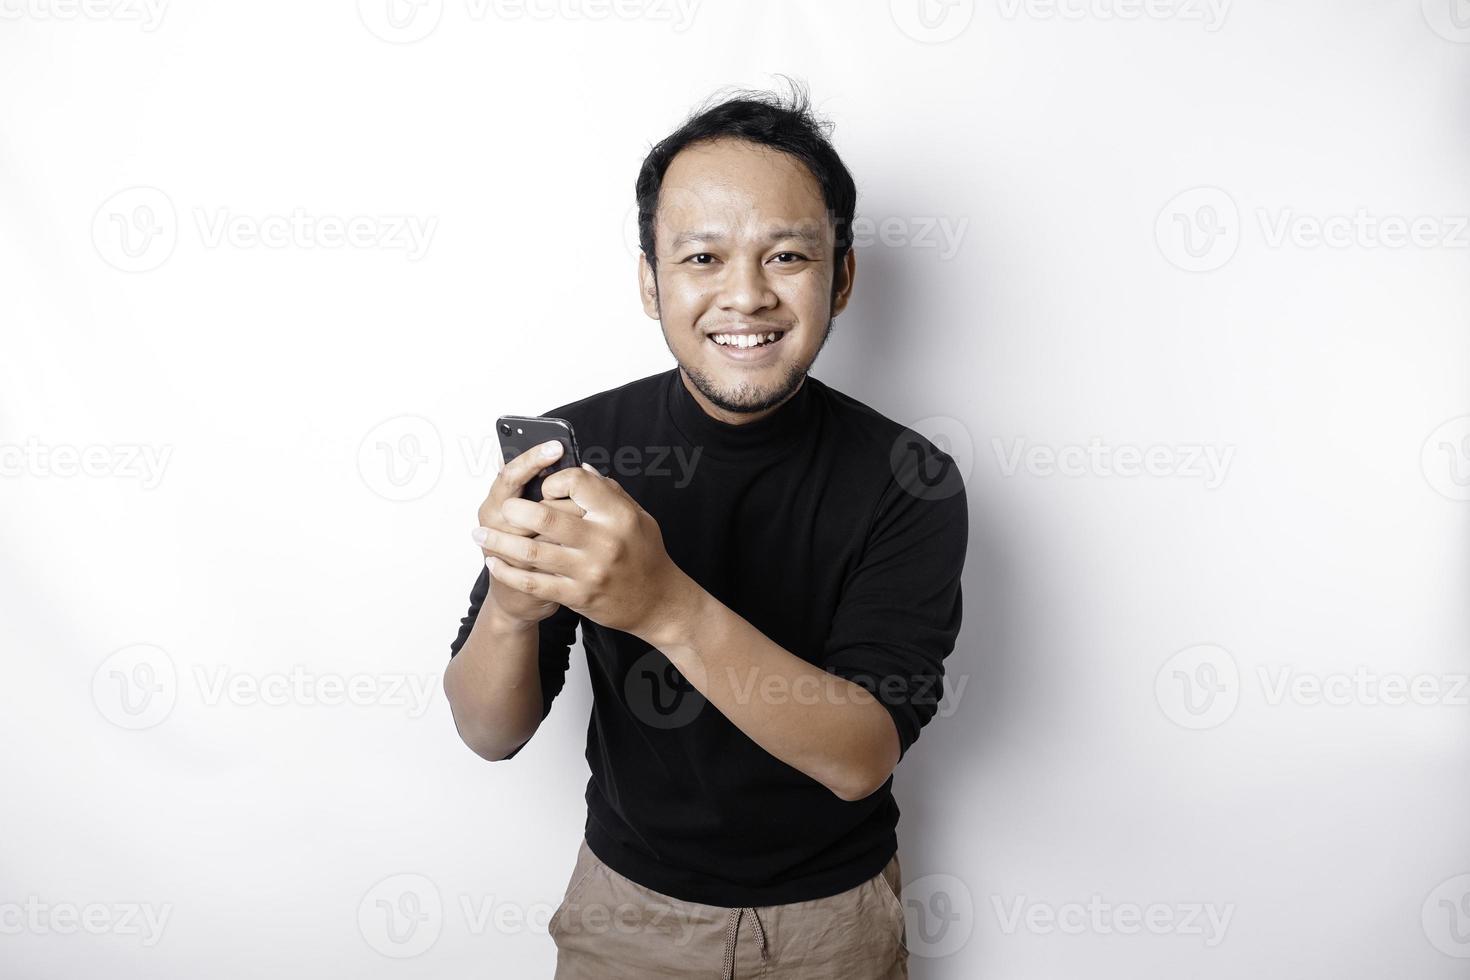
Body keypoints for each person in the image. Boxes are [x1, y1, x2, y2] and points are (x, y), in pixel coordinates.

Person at [443, 79, 968, 979]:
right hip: (627, 914)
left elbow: (860, 759)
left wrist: (663, 606)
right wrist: (514, 613)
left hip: (833, 923)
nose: (746, 296)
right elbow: (489, 733)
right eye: (701, 259)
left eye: (788, 258)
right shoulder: (581, 455)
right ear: (650, 282)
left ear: (841, 277)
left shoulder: (907, 479)